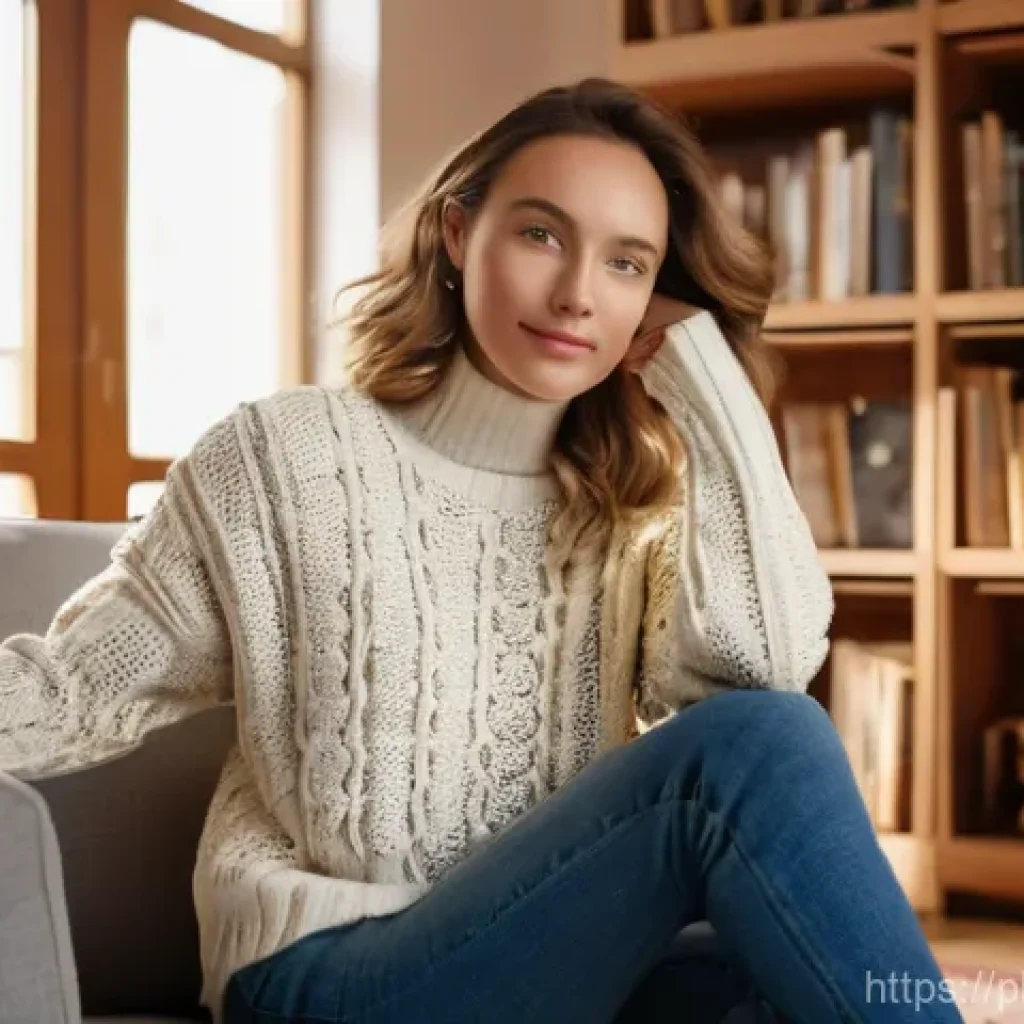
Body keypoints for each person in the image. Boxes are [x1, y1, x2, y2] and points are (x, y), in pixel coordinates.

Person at [0, 77, 963, 1024]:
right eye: (541, 234)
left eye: (627, 264)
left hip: (541, 956)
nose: (578, 294)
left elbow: (770, 665)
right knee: (764, 764)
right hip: (330, 978)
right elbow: (77, 686)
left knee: (798, 969)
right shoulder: (283, 458)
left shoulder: (632, 509)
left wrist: (712, 392)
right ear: (460, 235)